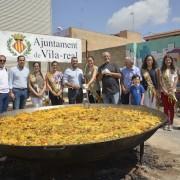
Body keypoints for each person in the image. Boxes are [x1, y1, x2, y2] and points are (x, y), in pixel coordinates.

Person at [160, 55, 178, 131]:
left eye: (169, 60)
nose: (168, 61)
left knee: (171, 108)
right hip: (164, 92)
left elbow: (176, 79)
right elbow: (160, 81)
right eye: (166, 60)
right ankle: (166, 123)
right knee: (165, 108)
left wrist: (172, 88)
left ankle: (171, 124)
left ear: (171, 61)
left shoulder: (174, 69)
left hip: (172, 92)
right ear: (164, 61)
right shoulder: (161, 70)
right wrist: (164, 90)